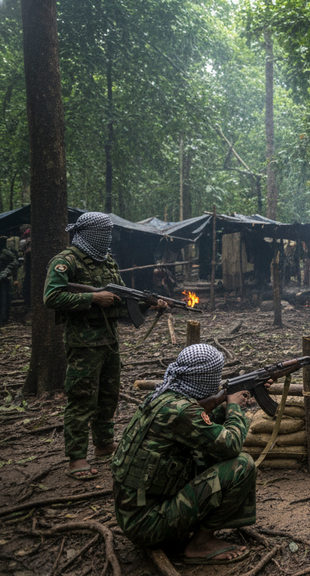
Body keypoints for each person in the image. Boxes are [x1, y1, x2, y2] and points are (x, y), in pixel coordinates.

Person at [111, 344, 258, 565]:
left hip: (133, 515)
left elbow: (202, 425)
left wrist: (230, 401)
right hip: (148, 526)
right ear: (205, 379)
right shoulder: (183, 411)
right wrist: (234, 408)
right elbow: (231, 445)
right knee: (242, 466)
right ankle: (200, 544)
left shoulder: (164, 397)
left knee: (206, 456)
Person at [44, 213, 163, 480]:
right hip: (83, 343)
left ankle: (103, 444)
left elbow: (120, 301)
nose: (108, 238)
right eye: (104, 233)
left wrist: (148, 304)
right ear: (89, 232)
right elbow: (51, 297)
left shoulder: (107, 261)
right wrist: (93, 298)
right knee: (81, 399)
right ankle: (76, 458)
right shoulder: (66, 261)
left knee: (108, 397)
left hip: (110, 341)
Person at [0, 236, 21, 326]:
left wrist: (6, 272)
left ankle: (3, 319)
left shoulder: (6, 253)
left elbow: (14, 263)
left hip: (4, 280)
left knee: (4, 299)